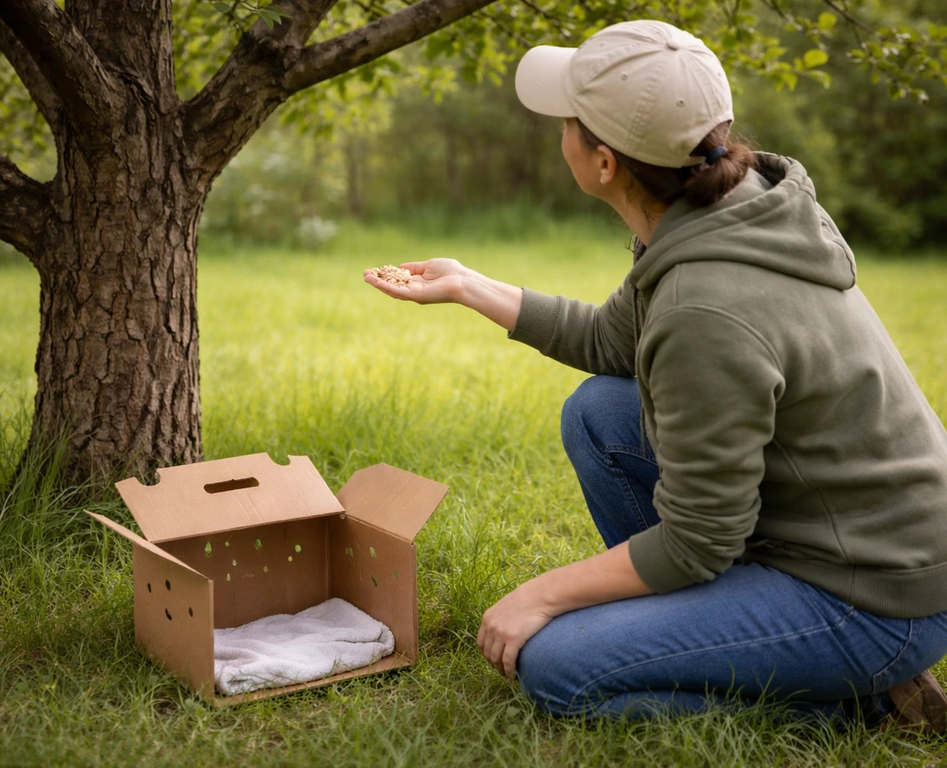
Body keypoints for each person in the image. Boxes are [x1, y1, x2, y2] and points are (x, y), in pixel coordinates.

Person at [363, 19, 947, 730]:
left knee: (557, 665)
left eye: (569, 122)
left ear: (605, 163)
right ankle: (723, 627)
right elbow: (613, 341)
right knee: (601, 414)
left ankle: (859, 704)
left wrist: (541, 593)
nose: (560, 132)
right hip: (840, 541)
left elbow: (699, 540)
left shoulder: (705, 306)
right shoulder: (722, 209)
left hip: (873, 595)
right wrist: (467, 286)